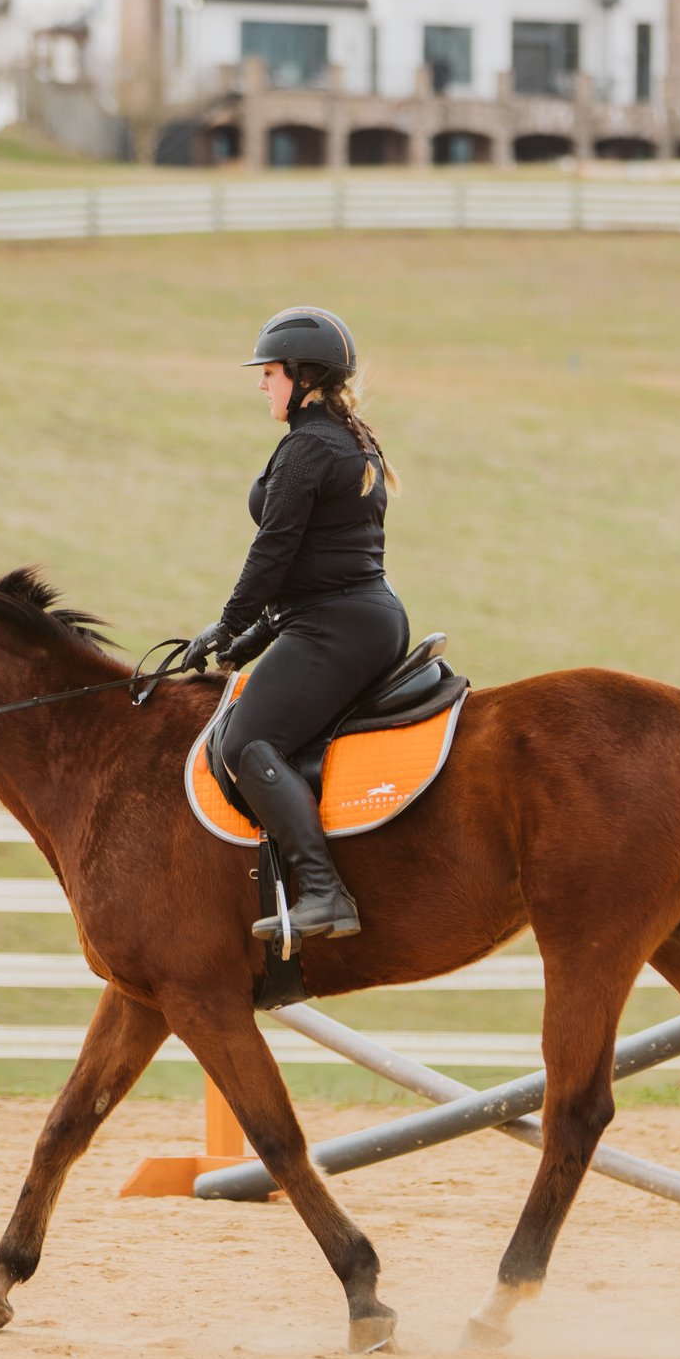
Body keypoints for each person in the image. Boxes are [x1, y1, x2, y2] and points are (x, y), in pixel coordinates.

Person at [180, 306, 408, 944]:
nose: (263, 385)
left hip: (337, 626)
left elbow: (274, 551)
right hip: (352, 616)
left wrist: (227, 625)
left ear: (305, 377)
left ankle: (324, 892)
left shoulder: (308, 446)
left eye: (272, 372)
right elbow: (315, 562)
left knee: (245, 744)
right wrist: (249, 640)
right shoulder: (348, 438)